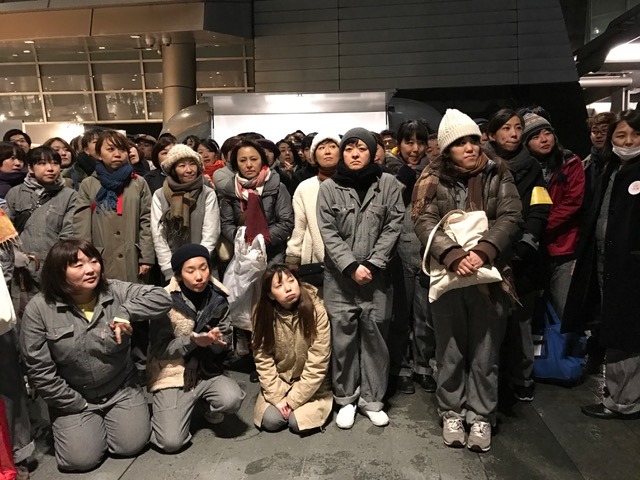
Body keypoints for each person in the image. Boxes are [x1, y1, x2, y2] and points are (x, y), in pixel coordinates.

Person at [413, 108, 522, 452]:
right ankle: (452, 412)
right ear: (447, 149)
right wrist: (454, 255)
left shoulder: (498, 172)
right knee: (449, 349)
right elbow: (422, 220)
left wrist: (484, 251)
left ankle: (481, 415)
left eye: (473, 140)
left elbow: (511, 215)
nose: (470, 148)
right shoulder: (431, 177)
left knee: (486, 350)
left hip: (489, 275)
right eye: (460, 143)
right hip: (448, 275)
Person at [19, 239, 172, 471]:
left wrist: (126, 311)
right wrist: (75, 402)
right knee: (81, 460)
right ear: (58, 272)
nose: (91, 269)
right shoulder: (39, 309)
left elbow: (162, 297)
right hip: (73, 396)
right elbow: (39, 370)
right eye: (78, 265)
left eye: (94, 261)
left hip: (120, 388)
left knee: (131, 445)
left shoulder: (114, 290)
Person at [317, 127, 404, 429]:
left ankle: (372, 400)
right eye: (349, 148)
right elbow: (328, 232)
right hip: (339, 278)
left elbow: (394, 225)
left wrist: (374, 264)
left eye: (362, 148)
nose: (355, 153)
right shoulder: (329, 188)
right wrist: (351, 266)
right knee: (343, 339)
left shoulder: (388, 184)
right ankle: (345, 399)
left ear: (372, 152)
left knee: (376, 338)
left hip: (377, 278)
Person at [564, 110, 640, 420]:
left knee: (626, 333)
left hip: (629, 268)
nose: (628, 141)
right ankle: (621, 397)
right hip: (608, 263)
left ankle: (623, 403)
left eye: (635, 135)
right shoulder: (610, 168)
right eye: (621, 135)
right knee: (617, 330)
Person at [147, 244, 245, 452]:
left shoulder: (218, 297)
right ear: (178, 275)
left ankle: (205, 405)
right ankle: (170, 412)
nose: (199, 276)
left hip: (207, 369)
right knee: (171, 442)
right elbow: (159, 349)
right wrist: (192, 342)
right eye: (190, 271)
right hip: (173, 372)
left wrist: (216, 342)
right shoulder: (164, 301)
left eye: (203, 268)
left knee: (232, 399)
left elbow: (227, 343)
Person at [484, 108, 551, 402]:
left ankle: (522, 378)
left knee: (521, 321)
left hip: (523, 255)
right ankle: (492, 379)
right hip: (489, 253)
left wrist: (527, 244)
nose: (513, 134)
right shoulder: (482, 164)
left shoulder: (532, 166)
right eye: (506, 128)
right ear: (492, 134)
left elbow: (540, 207)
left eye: (518, 128)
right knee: (489, 322)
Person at [384, 120, 437, 395]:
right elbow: (386, 206)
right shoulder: (388, 172)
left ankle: (423, 366)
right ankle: (401, 367)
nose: (415, 149)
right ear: (399, 143)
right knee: (400, 315)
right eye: (409, 142)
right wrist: (404, 177)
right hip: (398, 252)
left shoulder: (435, 171)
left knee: (425, 315)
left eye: (421, 142)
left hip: (427, 251)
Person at [252, 265, 331, 433]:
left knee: (297, 423)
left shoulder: (316, 309)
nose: (288, 288)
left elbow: (318, 361)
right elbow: (262, 359)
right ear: (270, 294)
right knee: (271, 421)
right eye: (279, 285)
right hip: (281, 380)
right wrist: (276, 396)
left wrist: (293, 400)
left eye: (291, 281)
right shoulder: (262, 314)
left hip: (311, 383)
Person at [522, 113, 584, 319]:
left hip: (563, 245)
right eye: (535, 136)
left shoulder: (570, 162)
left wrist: (539, 226)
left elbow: (573, 202)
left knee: (565, 306)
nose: (544, 139)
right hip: (531, 248)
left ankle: (572, 341)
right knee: (529, 312)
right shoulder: (522, 168)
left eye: (547, 133)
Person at [74, 130, 154, 283]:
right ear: (99, 154)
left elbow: (147, 220)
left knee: (134, 295)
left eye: (122, 149)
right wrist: (85, 258)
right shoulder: (89, 184)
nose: (117, 154)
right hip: (101, 257)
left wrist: (146, 257)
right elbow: (81, 226)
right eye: (110, 149)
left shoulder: (138, 182)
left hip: (133, 257)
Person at [5, 147, 77, 313]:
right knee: (24, 317)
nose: (50, 168)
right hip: (21, 272)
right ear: (30, 168)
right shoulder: (15, 193)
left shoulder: (69, 195)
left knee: (57, 316)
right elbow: (6, 231)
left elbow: (69, 232)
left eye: (55, 163)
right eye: (42, 163)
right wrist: (14, 254)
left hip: (56, 269)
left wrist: (58, 262)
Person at [151, 144, 220, 282]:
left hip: (204, 266)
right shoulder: (160, 195)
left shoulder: (207, 193)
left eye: (192, 164)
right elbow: (158, 235)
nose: (189, 170)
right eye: (182, 165)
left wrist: (198, 266)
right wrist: (168, 268)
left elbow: (211, 233)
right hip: (172, 266)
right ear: (173, 169)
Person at [219, 139, 294, 264]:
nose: (249, 165)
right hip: (241, 255)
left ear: (262, 160)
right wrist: (241, 239)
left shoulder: (277, 187)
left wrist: (259, 240)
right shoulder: (230, 189)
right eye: (242, 160)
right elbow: (226, 224)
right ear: (236, 163)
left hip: (273, 255)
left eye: (254, 159)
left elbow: (286, 222)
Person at [285, 133, 340, 283]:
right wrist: (293, 257)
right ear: (314, 155)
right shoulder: (305, 187)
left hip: (350, 261)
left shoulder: (351, 184)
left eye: (333, 146)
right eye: (321, 148)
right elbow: (299, 225)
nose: (327, 152)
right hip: (315, 261)